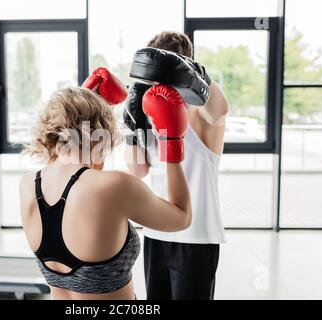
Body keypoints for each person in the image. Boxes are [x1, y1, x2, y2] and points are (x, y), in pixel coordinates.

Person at [19, 67, 193, 300]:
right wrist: (171, 141)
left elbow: (72, 167)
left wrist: (78, 105)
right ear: (102, 131)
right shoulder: (117, 186)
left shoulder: (28, 185)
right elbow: (181, 218)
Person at [124, 31, 229, 300]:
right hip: (157, 231)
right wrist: (132, 129)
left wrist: (189, 72)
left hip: (196, 237)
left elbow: (220, 110)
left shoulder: (200, 112)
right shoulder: (149, 113)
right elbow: (138, 171)